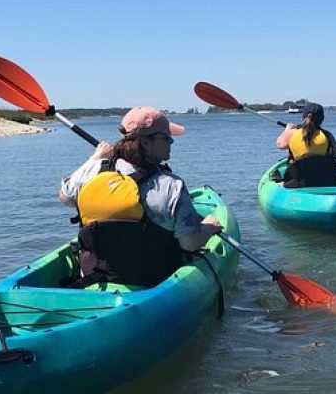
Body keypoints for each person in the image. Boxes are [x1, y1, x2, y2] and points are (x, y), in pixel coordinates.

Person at [59, 106, 222, 287]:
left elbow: (65, 197)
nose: (171, 142)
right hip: (153, 283)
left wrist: (95, 157)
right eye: (166, 138)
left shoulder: (94, 169)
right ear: (145, 142)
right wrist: (208, 228)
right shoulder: (170, 185)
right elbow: (190, 243)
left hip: (95, 278)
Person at [274, 102, 336, 188]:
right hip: (326, 180)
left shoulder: (293, 133)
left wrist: (287, 130)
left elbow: (279, 144)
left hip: (298, 180)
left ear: (304, 116)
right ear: (322, 119)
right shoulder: (327, 135)